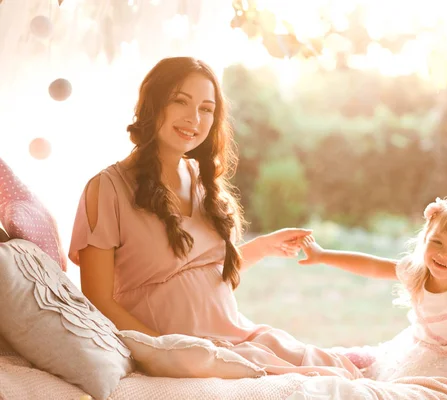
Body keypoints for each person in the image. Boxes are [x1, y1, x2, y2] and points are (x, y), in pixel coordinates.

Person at [68, 57, 361, 379]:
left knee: (341, 373)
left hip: (237, 339)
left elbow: (205, 275)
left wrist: (262, 247)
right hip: (183, 351)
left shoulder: (199, 178)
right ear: (152, 103)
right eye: (180, 101)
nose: (194, 118)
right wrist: (163, 349)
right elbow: (97, 298)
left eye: (206, 109)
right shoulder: (107, 188)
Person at [298, 191, 447, 379]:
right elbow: (372, 266)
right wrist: (322, 255)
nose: (444, 254)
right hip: (413, 346)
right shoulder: (418, 272)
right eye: (437, 242)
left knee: (393, 385)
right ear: (426, 237)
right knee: (360, 364)